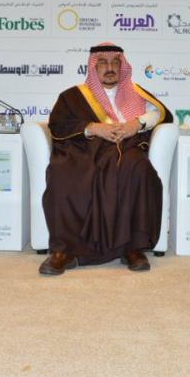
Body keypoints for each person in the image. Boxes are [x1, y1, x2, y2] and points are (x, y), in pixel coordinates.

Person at [39, 43, 171, 275]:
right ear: (93, 67)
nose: (110, 68)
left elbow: (160, 114)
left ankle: (132, 247)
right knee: (62, 173)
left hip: (125, 148)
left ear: (122, 66)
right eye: (102, 63)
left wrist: (136, 123)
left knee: (138, 168)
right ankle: (65, 250)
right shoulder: (72, 97)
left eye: (115, 62)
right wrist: (92, 127)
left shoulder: (137, 93)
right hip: (84, 149)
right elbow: (58, 126)